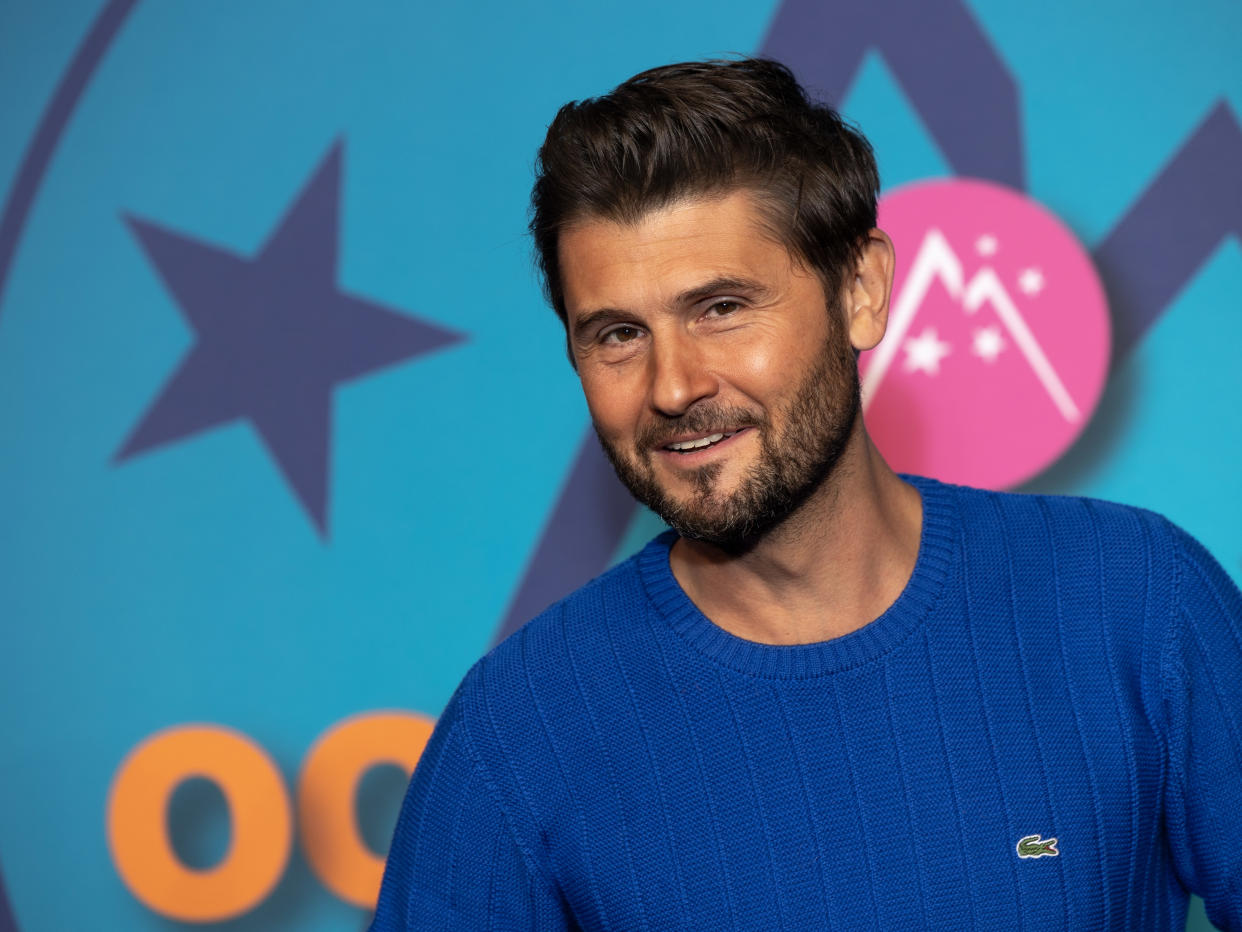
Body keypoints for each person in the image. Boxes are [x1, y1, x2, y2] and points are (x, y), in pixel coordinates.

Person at [370, 59, 1242, 930]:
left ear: (860, 291)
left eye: (721, 307)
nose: (673, 385)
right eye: (619, 334)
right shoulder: (520, 733)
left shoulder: (1137, 602)